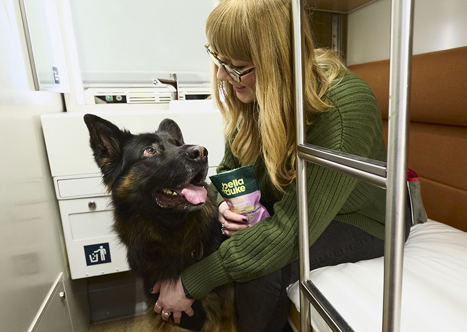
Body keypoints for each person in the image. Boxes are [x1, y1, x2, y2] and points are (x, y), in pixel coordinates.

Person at [152, 0, 412, 331]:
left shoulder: (344, 106)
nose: (222, 76)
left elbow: (289, 230)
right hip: (295, 211)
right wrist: (222, 207)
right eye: (219, 60)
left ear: (277, 61)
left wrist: (190, 282)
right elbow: (228, 171)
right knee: (204, 233)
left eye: (236, 66)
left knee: (262, 270)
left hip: (365, 221)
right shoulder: (253, 95)